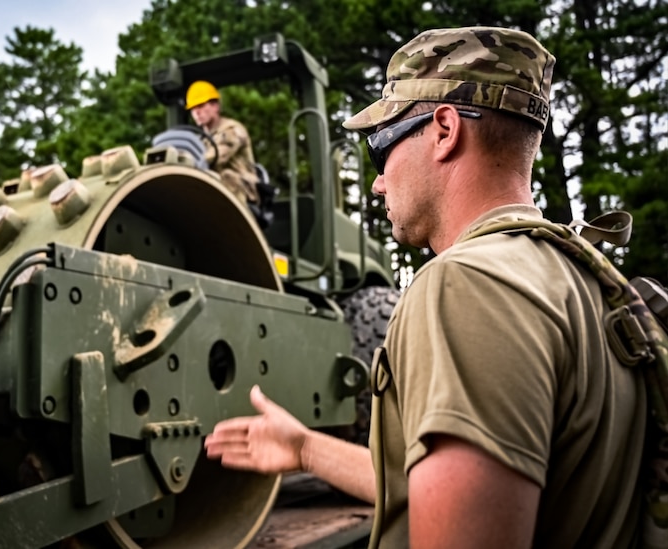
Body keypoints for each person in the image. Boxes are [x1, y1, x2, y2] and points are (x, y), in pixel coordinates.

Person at [204, 26, 647, 547]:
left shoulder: (468, 287)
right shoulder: (584, 278)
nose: (377, 181)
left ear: (443, 130)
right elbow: (464, 489)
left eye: (380, 149)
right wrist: (305, 449)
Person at [185, 80, 260, 207]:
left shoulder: (233, 130)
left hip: (244, 193)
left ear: (216, 106)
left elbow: (218, 156)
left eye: (201, 106)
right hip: (215, 191)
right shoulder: (200, 139)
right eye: (192, 109)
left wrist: (187, 160)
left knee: (227, 176)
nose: (196, 112)